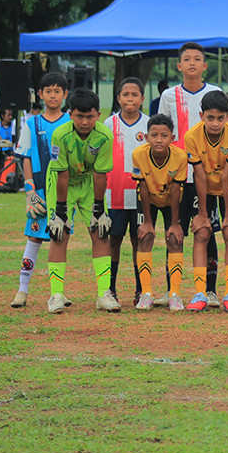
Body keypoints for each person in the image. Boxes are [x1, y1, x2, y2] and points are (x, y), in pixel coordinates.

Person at [160, 42, 224, 306]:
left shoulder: (215, 92)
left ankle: (210, 290)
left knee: (205, 231)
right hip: (177, 176)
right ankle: (171, 290)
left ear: (205, 66)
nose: (192, 63)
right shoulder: (168, 96)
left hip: (206, 177)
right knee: (174, 232)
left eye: (197, 59)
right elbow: (162, 132)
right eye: (187, 59)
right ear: (179, 65)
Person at [44, 88, 119, 313]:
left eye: (90, 116)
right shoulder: (60, 135)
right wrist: (60, 211)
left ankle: (103, 294)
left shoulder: (105, 135)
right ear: (70, 115)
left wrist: (98, 208)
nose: (85, 122)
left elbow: (100, 174)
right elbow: (63, 174)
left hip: (89, 182)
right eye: (79, 116)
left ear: (98, 115)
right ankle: (56, 295)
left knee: (100, 230)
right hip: (61, 182)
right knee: (60, 233)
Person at [10, 72, 70, 308]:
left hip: (64, 192)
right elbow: (25, 157)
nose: (53, 95)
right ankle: (22, 291)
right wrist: (30, 190)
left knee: (61, 239)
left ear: (65, 95)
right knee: (34, 237)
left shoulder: (70, 123)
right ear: (40, 94)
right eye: (48, 91)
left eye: (58, 91)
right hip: (40, 192)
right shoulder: (31, 123)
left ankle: (58, 292)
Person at [184, 90, 228, 312]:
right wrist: (201, 214)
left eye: (221, 118)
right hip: (204, 188)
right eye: (210, 118)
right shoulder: (191, 137)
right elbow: (199, 175)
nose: (215, 123)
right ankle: (200, 293)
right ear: (201, 116)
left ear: (227, 117)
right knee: (201, 232)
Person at [132, 114, 187, 310]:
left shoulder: (180, 157)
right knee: (145, 237)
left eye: (164, 135)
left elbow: (175, 189)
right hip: (148, 199)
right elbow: (143, 187)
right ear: (146, 137)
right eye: (154, 135)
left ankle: (174, 294)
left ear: (172, 138)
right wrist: (147, 221)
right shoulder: (139, 154)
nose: (159, 140)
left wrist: (174, 223)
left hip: (172, 200)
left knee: (174, 238)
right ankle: (146, 293)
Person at [103, 77, 149, 304]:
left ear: (142, 98)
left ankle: (141, 290)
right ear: (118, 98)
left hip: (141, 193)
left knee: (138, 239)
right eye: (125, 94)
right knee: (114, 239)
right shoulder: (109, 124)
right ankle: (110, 289)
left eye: (135, 95)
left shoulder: (149, 125)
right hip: (115, 193)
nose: (130, 98)